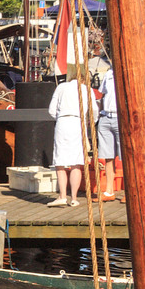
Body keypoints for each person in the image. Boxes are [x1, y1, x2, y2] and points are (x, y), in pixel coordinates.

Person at [47, 64, 93, 206]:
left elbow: (51, 110)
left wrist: (60, 118)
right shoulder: (86, 89)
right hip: (78, 122)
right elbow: (94, 111)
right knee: (76, 162)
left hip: (63, 121)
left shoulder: (61, 87)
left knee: (60, 162)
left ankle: (62, 195)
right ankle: (73, 198)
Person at [91, 34, 122, 200]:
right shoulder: (109, 73)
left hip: (120, 118)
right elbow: (102, 95)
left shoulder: (126, 73)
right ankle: (109, 190)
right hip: (106, 117)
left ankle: (128, 191)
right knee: (108, 156)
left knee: (124, 157)